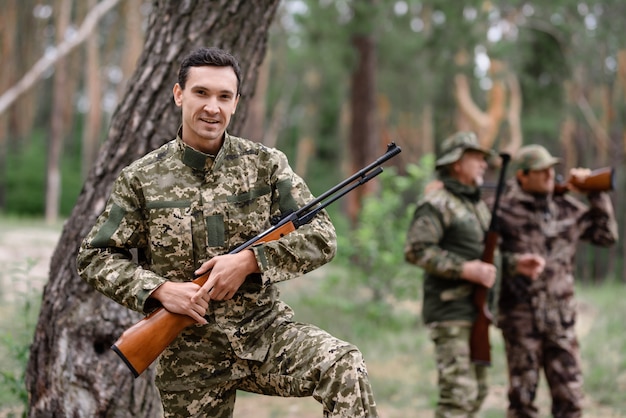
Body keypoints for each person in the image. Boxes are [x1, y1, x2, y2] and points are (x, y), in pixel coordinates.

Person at [77, 47, 378, 418]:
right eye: (201, 93)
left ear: (236, 103)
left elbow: (322, 237)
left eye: (223, 96)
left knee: (343, 366)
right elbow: (95, 256)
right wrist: (160, 290)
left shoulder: (266, 165)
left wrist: (251, 261)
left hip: (265, 335)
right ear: (178, 95)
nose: (212, 107)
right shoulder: (141, 178)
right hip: (190, 357)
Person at [404, 132, 543, 417]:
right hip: (450, 310)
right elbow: (416, 250)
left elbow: (484, 257)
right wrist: (465, 269)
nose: (484, 163)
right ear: (457, 163)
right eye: (477, 157)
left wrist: (516, 264)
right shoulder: (437, 203)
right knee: (457, 398)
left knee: (477, 394)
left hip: (476, 310)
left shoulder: (476, 205)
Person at [496, 144, 618, 418]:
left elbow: (605, 236)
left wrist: (595, 193)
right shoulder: (503, 212)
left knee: (570, 399)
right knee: (522, 402)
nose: (549, 175)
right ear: (522, 176)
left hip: (560, 319)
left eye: (551, 169)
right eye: (541, 171)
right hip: (520, 319)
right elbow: (489, 258)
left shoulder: (567, 209)